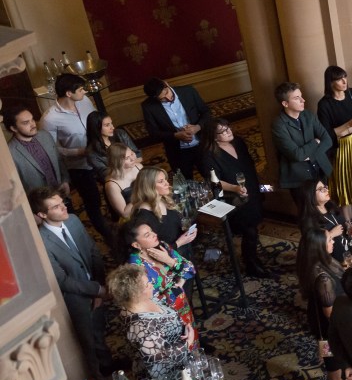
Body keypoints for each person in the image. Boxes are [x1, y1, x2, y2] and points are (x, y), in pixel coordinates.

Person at [31, 186, 113, 375]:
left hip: (96, 285)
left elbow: (93, 251)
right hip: (75, 299)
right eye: (56, 207)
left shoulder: (74, 220)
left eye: (62, 202)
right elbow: (62, 280)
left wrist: (100, 285)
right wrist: (97, 290)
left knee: (99, 330)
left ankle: (108, 366)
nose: (64, 207)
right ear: (42, 214)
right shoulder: (42, 241)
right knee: (87, 342)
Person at [199, 118, 272, 278]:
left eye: (228, 128)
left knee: (255, 223)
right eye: (223, 131)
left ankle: (253, 254)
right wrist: (235, 188)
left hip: (251, 188)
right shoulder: (209, 155)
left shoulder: (238, 142)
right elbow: (215, 181)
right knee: (249, 229)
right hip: (233, 196)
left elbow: (250, 165)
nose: (228, 132)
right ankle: (251, 264)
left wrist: (262, 185)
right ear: (214, 137)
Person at [41, 72, 108, 234]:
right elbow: (51, 149)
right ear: (69, 93)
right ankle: (105, 233)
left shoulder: (84, 101)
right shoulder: (50, 119)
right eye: (80, 89)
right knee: (93, 201)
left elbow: (96, 122)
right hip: (79, 166)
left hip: (101, 157)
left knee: (111, 188)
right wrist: (79, 151)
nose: (85, 91)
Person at [298, 228, 352, 380]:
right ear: (319, 247)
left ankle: (346, 375)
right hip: (327, 324)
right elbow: (329, 312)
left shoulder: (322, 259)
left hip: (334, 312)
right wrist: (344, 328)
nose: (333, 242)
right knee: (331, 355)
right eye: (330, 240)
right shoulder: (322, 279)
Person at [108, 263, 192, 380]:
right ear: (135, 294)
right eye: (147, 284)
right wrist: (188, 342)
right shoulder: (140, 326)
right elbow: (163, 356)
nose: (152, 285)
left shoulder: (144, 299)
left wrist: (182, 327)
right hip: (165, 375)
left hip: (179, 354)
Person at [123, 216, 197, 344]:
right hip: (164, 316)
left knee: (192, 338)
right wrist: (176, 284)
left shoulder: (163, 247)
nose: (154, 234)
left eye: (152, 231)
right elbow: (146, 300)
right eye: (147, 235)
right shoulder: (135, 268)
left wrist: (169, 261)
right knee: (179, 346)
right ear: (136, 245)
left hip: (181, 303)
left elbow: (190, 269)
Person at [319, 65, 352, 236]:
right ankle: (349, 224)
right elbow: (326, 133)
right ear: (330, 82)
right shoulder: (324, 104)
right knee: (344, 189)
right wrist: (348, 125)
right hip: (339, 149)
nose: (344, 81)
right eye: (339, 79)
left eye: (345, 77)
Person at [272, 81, 333, 209]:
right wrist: (315, 142)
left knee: (325, 207)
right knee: (307, 213)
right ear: (285, 103)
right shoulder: (278, 124)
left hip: (320, 170)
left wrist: (310, 154)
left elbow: (327, 140)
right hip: (299, 178)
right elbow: (297, 155)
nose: (303, 100)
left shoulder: (308, 115)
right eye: (296, 98)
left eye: (301, 96)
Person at [140, 77, 211, 180]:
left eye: (167, 92)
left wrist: (198, 127)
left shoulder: (188, 91)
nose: (168, 98)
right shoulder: (148, 106)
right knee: (185, 183)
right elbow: (153, 133)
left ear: (166, 84)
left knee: (213, 178)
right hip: (177, 152)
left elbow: (207, 113)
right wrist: (175, 135)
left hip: (202, 144)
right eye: (162, 99)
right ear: (154, 98)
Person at [129, 166, 198, 259]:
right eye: (161, 181)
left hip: (183, 252)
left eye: (165, 179)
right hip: (168, 260)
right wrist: (179, 243)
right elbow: (151, 252)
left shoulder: (164, 199)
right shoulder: (143, 217)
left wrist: (187, 231)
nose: (167, 183)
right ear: (149, 187)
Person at [6, 106, 68, 197]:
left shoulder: (45, 135)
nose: (33, 124)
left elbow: (59, 160)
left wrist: (65, 180)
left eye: (32, 119)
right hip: (39, 202)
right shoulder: (9, 153)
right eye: (26, 123)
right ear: (14, 128)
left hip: (61, 193)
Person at [300, 178, 352, 267]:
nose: (326, 190)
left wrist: (348, 227)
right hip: (330, 259)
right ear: (310, 195)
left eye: (325, 187)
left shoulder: (330, 207)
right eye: (321, 189)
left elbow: (341, 222)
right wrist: (331, 234)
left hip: (344, 248)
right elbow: (313, 245)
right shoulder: (309, 220)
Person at [85, 110, 140, 184]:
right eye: (107, 125)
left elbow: (139, 155)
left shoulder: (120, 134)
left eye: (111, 123)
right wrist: (129, 164)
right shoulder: (91, 152)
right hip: (117, 182)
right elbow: (105, 174)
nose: (113, 127)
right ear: (96, 128)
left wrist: (126, 166)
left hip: (135, 174)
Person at [103, 142, 141, 222]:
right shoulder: (112, 185)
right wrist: (142, 195)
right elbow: (124, 214)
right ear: (117, 162)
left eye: (132, 153)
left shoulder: (138, 167)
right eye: (127, 158)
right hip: (134, 217)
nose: (133, 159)